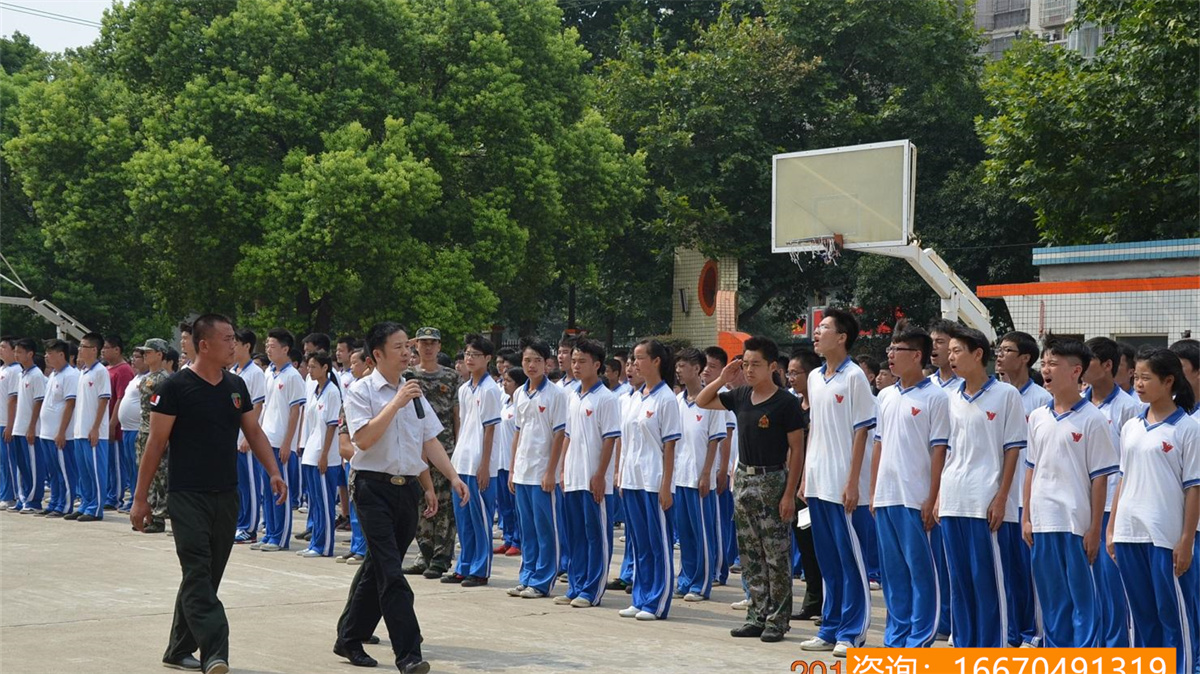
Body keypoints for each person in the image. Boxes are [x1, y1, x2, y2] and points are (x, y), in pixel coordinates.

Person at [131, 314, 287, 674]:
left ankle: (177, 649)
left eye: (234, 338)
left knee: (205, 576)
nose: (235, 344)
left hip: (226, 494)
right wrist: (140, 499)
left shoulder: (235, 387)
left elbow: (254, 432)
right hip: (187, 495)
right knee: (198, 573)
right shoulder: (174, 388)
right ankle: (215, 652)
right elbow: (155, 445)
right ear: (204, 345)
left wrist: (274, 472)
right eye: (227, 339)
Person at [334, 321, 468, 674]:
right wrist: (395, 402)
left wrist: (449, 477)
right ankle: (409, 653)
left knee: (376, 566)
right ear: (377, 354)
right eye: (399, 347)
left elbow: (427, 441)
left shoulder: (415, 392)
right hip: (372, 488)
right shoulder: (361, 391)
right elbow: (362, 439)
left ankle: (349, 636)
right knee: (392, 573)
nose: (407, 352)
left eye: (407, 346)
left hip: (406, 489)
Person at [698, 336, 805, 642]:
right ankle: (756, 615)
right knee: (750, 554)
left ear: (772, 366)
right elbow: (702, 401)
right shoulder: (741, 395)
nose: (749, 370)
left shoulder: (786, 402)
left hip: (773, 480)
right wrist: (722, 377)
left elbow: (796, 450)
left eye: (755, 364)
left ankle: (777, 620)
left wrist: (789, 493)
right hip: (744, 479)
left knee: (776, 554)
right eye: (745, 364)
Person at [1107, 348, 1198, 674]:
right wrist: (1112, 528)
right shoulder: (1131, 426)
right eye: (1136, 377)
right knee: (1142, 617)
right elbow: (1123, 477)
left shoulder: (1188, 429)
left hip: (1166, 537)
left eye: (1146, 377)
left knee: (1173, 615)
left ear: (1169, 381)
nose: (1139, 384)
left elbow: (1194, 489)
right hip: (1131, 533)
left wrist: (1186, 540)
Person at [1022, 338, 1117, 648]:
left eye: (1053, 364)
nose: (1045, 370)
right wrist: (1026, 517)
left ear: (1076, 371)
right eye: (1044, 363)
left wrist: (1094, 530)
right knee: (1052, 600)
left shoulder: (1093, 419)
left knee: (1083, 599)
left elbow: (1100, 479)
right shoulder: (1037, 417)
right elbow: (1031, 469)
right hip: (1043, 522)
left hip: (1076, 524)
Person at [941, 325, 1026, 648]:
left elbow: (1012, 449)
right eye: (949, 352)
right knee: (960, 583)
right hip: (953, 500)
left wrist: (1002, 497)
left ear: (978, 354)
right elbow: (947, 450)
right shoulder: (950, 398)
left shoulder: (1006, 395)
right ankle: (965, 648)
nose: (951, 357)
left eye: (957, 351)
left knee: (987, 582)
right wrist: (937, 498)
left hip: (985, 500)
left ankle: (992, 651)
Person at [800, 308, 877, 656]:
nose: (816, 333)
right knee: (827, 560)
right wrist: (805, 476)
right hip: (818, 483)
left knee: (851, 561)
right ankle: (829, 627)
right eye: (817, 328)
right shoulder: (816, 377)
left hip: (845, 486)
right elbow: (814, 428)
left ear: (842, 337)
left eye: (824, 328)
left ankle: (852, 631)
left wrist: (853, 482)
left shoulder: (855, 377)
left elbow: (863, 430)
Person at [870, 323, 949, 648]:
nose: (890, 356)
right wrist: (874, 492)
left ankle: (920, 637)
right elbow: (879, 444)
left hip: (916, 499)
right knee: (893, 574)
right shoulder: (885, 396)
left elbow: (939, 451)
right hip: (887, 497)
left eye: (897, 350)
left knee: (921, 572)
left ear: (917, 355)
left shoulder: (936, 397)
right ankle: (896, 637)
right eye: (889, 349)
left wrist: (932, 498)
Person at [617, 339, 682, 622]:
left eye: (640, 358)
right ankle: (640, 596)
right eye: (633, 358)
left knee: (658, 543)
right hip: (632, 478)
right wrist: (620, 474)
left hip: (655, 480)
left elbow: (670, 446)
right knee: (639, 542)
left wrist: (666, 485)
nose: (635, 364)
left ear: (656, 361)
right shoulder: (634, 397)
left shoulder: (666, 398)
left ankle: (657, 601)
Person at [994, 330, 1051, 648]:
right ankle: (1011, 631)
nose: (999, 355)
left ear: (1026, 358)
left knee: (1029, 574)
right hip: (1000, 497)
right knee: (1006, 573)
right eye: (998, 349)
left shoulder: (1041, 399)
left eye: (1007, 350)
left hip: (1026, 500)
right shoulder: (998, 394)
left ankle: (1034, 633)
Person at [1083, 336, 1141, 647]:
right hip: (1080, 507)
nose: (1079, 368)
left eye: (1087, 361)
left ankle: (1117, 648)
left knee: (1112, 585)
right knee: (1085, 585)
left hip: (1110, 510)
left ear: (1108, 366)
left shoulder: (1129, 408)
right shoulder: (1077, 401)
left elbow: (1129, 464)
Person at [559, 338, 621, 607]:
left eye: (582, 361)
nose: (576, 366)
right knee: (575, 534)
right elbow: (568, 435)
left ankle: (592, 589)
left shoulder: (606, 398)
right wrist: (563, 468)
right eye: (574, 360)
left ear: (597, 365)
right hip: (573, 475)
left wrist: (600, 474)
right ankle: (576, 584)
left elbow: (610, 439)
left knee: (595, 533)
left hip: (594, 478)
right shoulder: (572, 395)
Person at [507, 337, 568, 600]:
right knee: (527, 528)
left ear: (547, 364)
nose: (531, 365)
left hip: (543, 471)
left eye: (537, 361)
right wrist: (511, 469)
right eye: (527, 360)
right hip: (522, 470)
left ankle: (543, 580)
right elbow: (517, 433)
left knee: (546, 529)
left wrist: (550, 471)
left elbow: (559, 434)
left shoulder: (555, 394)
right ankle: (527, 575)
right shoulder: (520, 393)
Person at [402, 326, 461, 580]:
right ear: (416, 345)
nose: (428, 347)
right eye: (423, 342)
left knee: (445, 505)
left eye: (432, 343)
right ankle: (424, 553)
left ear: (439, 346)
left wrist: (457, 448)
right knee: (419, 502)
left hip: (444, 448)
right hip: (415, 449)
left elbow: (456, 415)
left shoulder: (451, 377)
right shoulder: (407, 375)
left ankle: (441, 557)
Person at [444, 334, 502, 587]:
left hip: (480, 462)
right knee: (463, 518)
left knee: (480, 518)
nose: (469, 358)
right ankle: (463, 565)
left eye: (475, 355)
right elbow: (463, 425)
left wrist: (484, 465)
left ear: (487, 359)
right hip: (462, 459)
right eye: (467, 353)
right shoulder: (464, 388)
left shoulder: (490, 389)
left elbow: (489, 430)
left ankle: (480, 569)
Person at [672, 347, 726, 603]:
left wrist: (708, 473)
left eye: (683, 366)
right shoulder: (677, 401)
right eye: (677, 366)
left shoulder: (711, 400)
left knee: (702, 532)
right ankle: (685, 579)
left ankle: (701, 583)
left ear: (697, 369)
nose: (679, 370)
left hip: (699, 477)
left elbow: (715, 440)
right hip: (679, 477)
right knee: (684, 533)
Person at [252, 328, 305, 552]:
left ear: (285, 349)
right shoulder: (269, 373)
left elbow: (296, 411)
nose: (268, 349)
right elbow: (264, 407)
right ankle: (270, 532)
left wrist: (287, 443)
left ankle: (280, 537)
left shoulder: (292, 376)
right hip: (266, 438)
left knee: (279, 489)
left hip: (281, 442)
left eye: (272, 346)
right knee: (266, 489)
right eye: (267, 345)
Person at [785, 349, 824, 621]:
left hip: (819, 485)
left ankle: (830, 603)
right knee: (806, 544)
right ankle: (813, 600)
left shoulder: (822, 408)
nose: (791, 378)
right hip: (797, 487)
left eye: (795, 373)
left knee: (825, 548)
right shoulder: (795, 408)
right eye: (788, 373)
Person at [702, 346, 738, 590]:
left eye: (712, 367)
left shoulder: (724, 395)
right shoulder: (700, 396)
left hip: (719, 471)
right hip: (700, 472)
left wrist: (723, 469)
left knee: (719, 522)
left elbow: (726, 436)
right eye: (705, 366)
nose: (706, 370)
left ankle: (718, 568)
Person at [231, 329, 266, 544]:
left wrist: (247, 437)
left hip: (246, 439)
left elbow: (258, 406)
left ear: (247, 346)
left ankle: (250, 528)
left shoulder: (255, 373)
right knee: (238, 485)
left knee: (250, 485)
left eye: (236, 342)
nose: (232, 346)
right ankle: (240, 522)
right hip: (232, 437)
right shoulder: (234, 371)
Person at [73, 332, 112, 522]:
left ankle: (96, 508)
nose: (79, 350)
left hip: (94, 431)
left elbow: (104, 400)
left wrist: (96, 427)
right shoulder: (83, 372)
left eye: (83, 347)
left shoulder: (100, 372)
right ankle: (85, 504)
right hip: (80, 430)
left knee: (96, 471)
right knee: (84, 472)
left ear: (94, 350)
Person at [38, 339, 79, 518]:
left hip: (60, 433)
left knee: (64, 471)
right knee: (53, 471)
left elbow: (70, 404)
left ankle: (65, 504)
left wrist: (61, 431)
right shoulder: (53, 375)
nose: (46, 356)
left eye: (50, 353)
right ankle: (55, 501)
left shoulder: (70, 375)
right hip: (46, 432)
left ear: (61, 355)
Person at [136, 339, 173, 533]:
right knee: (146, 475)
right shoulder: (146, 377)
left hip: (155, 432)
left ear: (160, 354)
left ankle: (159, 518)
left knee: (159, 477)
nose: (145, 355)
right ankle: (148, 515)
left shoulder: (164, 379)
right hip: (143, 431)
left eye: (149, 352)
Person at [11, 338, 46, 513]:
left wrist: (32, 426)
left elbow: (38, 402)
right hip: (19, 426)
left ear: (30, 354)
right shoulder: (20, 374)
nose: (16, 355)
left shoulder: (37, 375)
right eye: (15, 351)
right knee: (21, 466)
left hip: (31, 428)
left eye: (20, 352)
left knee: (33, 466)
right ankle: (23, 498)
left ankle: (34, 501)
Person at [493, 367, 524, 557]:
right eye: (503, 380)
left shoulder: (519, 404)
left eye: (508, 381)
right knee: (504, 505)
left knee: (515, 506)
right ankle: (508, 538)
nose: (504, 384)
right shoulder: (504, 403)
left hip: (513, 462)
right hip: (500, 462)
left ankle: (518, 540)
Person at [103, 335, 135, 510]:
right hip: (105, 424)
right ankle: (109, 493)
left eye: (107, 347)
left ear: (117, 349)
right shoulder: (107, 369)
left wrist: (112, 423)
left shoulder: (123, 370)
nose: (103, 351)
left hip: (117, 427)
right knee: (109, 464)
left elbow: (120, 399)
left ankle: (115, 496)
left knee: (118, 463)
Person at [115, 346, 147, 513]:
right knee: (129, 467)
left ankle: (139, 498)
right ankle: (133, 497)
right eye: (133, 357)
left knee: (138, 467)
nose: (134, 360)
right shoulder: (135, 378)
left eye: (138, 357)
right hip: (126, 429)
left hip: (138, 429)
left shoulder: (149, 379)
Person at [0, 336, 20, 510]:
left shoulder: (15, 371)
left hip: (6, 422)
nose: (0, 349)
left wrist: (10, 425)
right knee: (1, 462)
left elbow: (13, 400)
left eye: (3, 347)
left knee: (8, 461)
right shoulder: (3, 369)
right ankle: (3, 492)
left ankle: (11, 495)